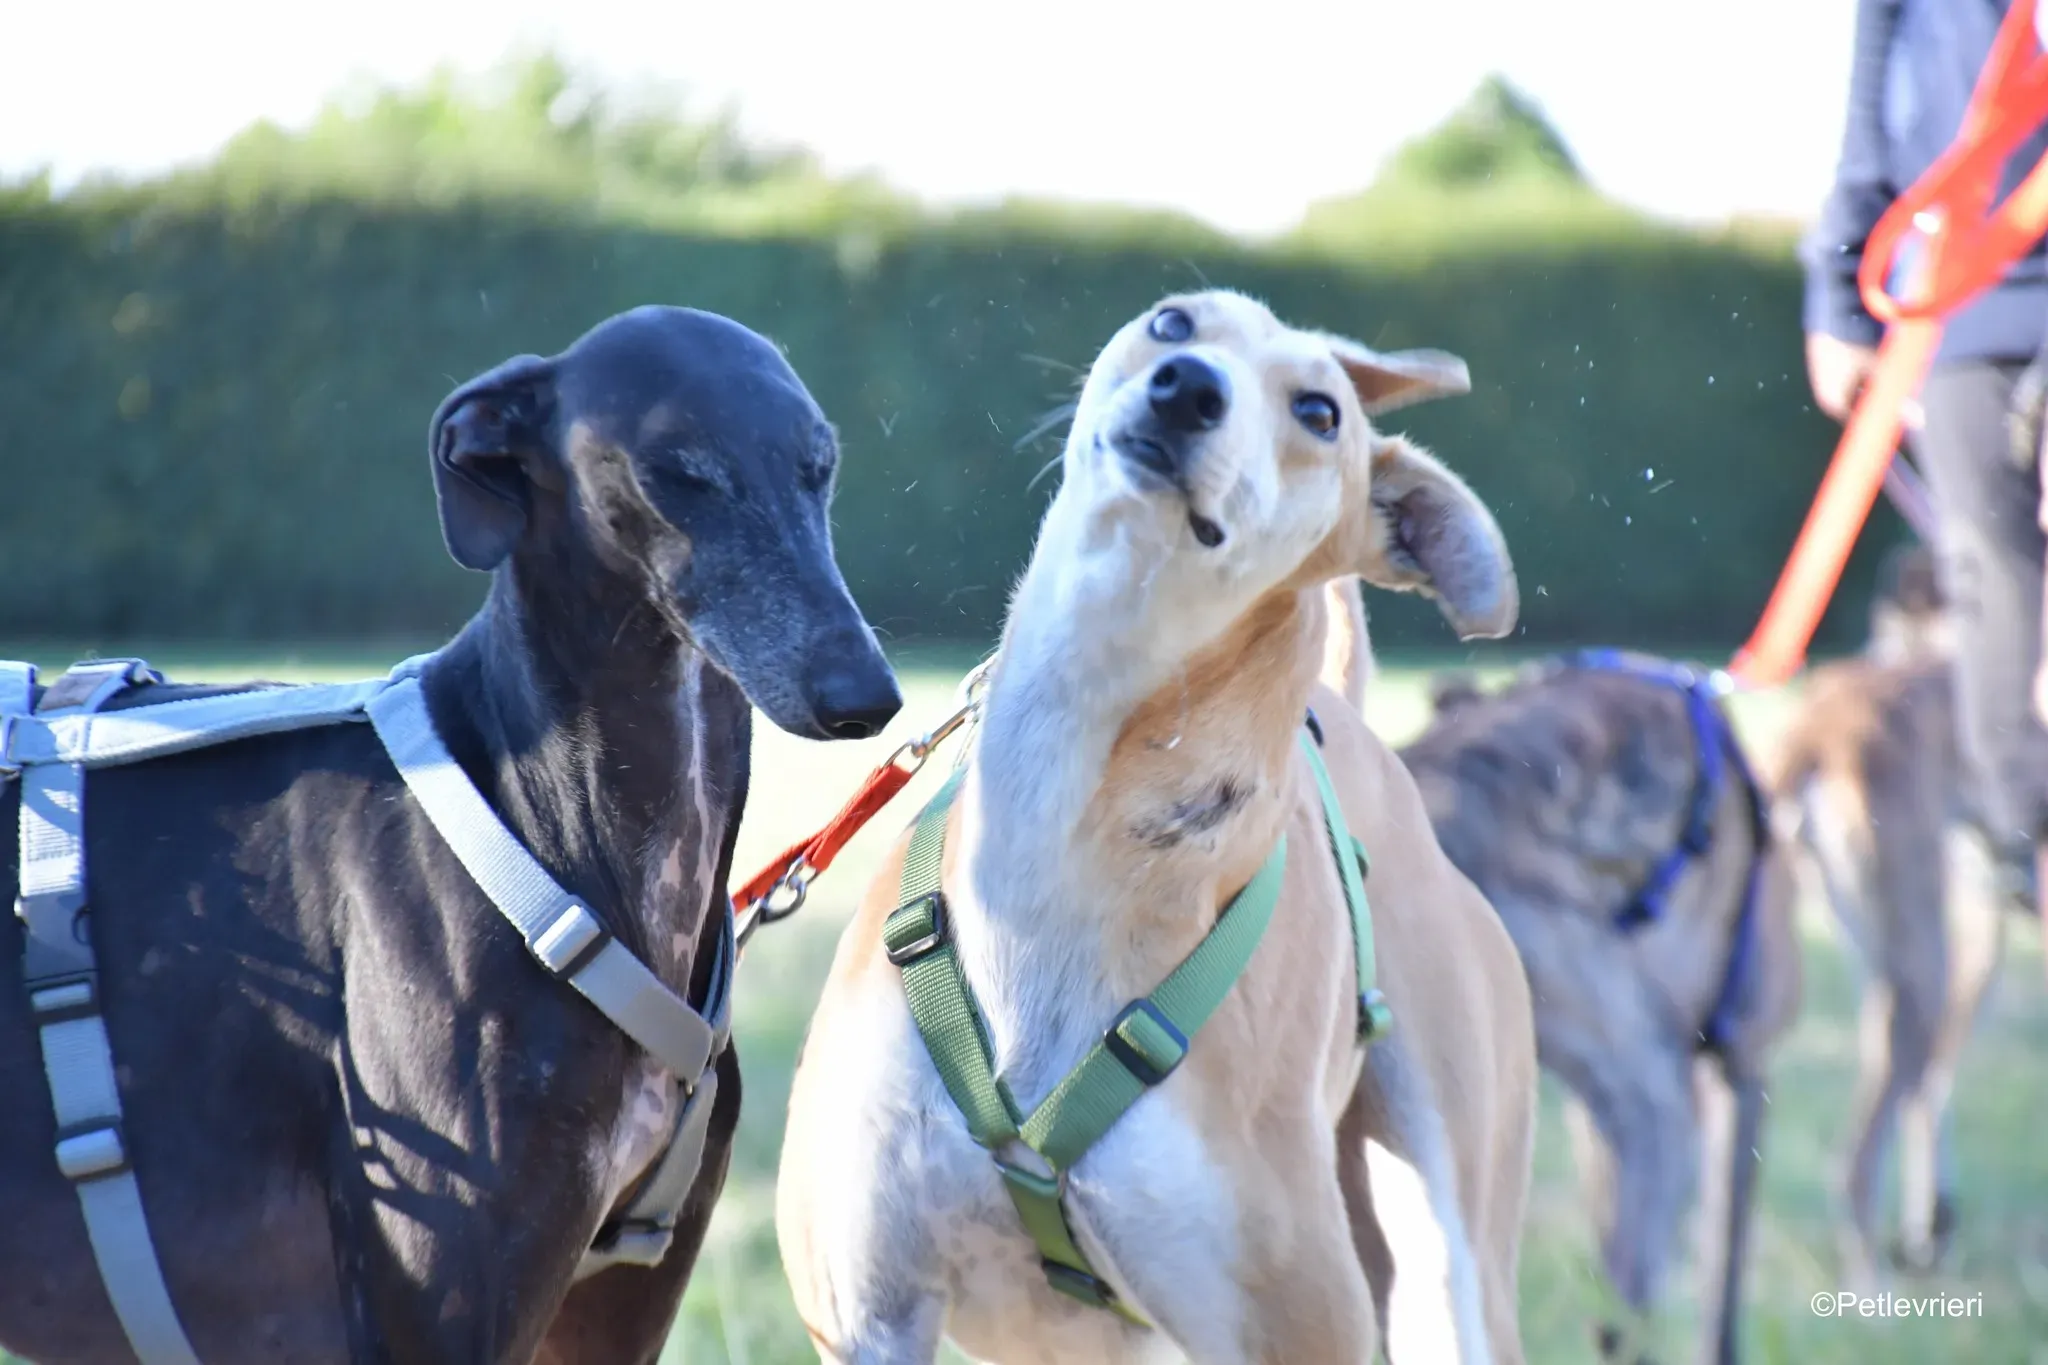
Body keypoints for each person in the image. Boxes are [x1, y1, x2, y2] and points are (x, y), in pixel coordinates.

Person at [1803, 0, 2048, 951]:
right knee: (1991, 578)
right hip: (1960, 304)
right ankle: (2020, 837)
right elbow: (1867, 132)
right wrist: (1836, 295)